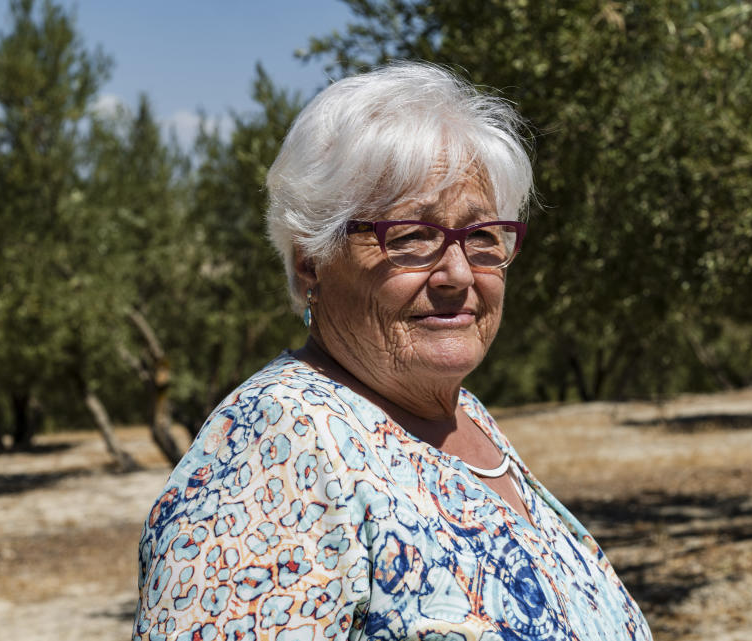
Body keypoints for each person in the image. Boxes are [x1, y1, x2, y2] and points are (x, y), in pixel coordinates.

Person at [133, 62, 652, 641]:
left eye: (481, 237)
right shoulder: (279, 445)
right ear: (311, 263)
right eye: (411, 237)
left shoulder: (460, 416)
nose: (457, 273)